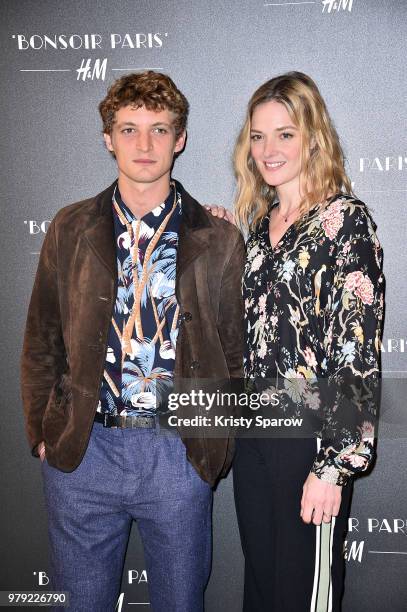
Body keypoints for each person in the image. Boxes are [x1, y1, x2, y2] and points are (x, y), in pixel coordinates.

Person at [20, 70, 245, 612]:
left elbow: (236, 353)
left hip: (177, 454)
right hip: (83, 452)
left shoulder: (218, 238)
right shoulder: (70, 227)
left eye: (160, 129)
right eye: (129, 129)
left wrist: (212, 443)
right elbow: (41, 337)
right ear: (107, 139)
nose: (144, 145)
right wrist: (44, 433)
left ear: (181, 138)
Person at [206, 71, 384, 611]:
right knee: (263, 591)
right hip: (256, 434)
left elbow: (356, 354)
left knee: (306, 596)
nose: (268, 149)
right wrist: (224, 242)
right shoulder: (259, 230)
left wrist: (332, 467)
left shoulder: (345, 222)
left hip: (311, 441)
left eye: (284, 134)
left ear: (313, 137)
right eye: (258, 136)